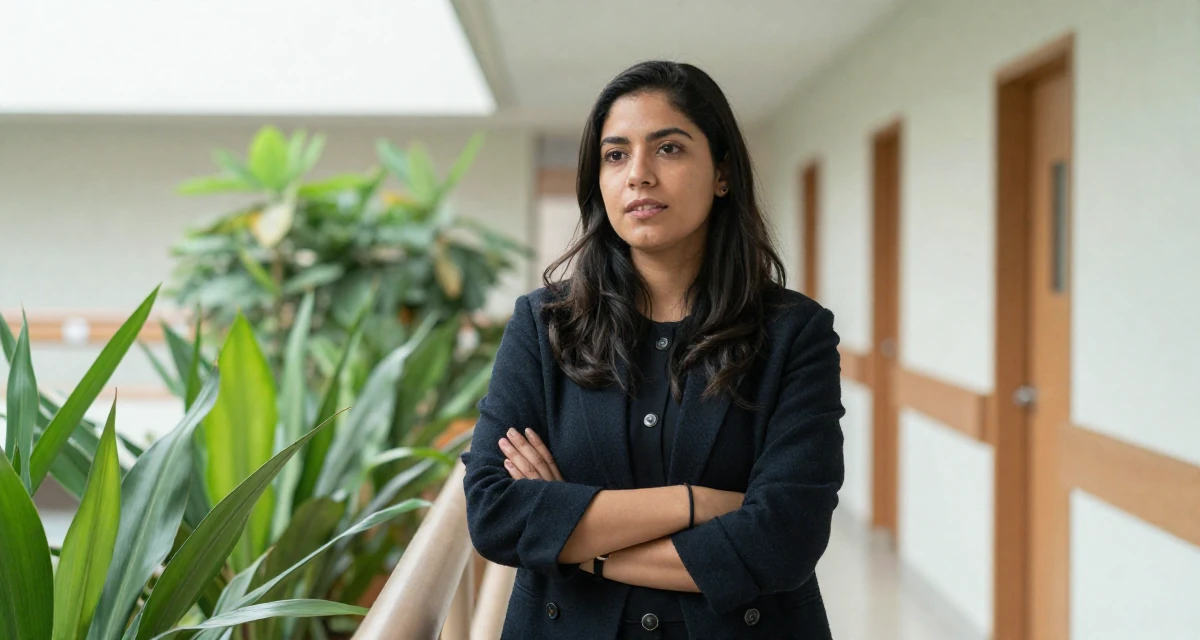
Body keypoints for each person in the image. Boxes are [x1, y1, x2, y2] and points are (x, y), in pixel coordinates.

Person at [461, 60, 844, 639]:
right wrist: (694, 504)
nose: (638, 174)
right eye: (615, 155)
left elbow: (783, 541)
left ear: (722, 172)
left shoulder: (794, 333)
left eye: (668, 148)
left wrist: (574, 541)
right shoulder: (544, 326)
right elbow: (494, 514)